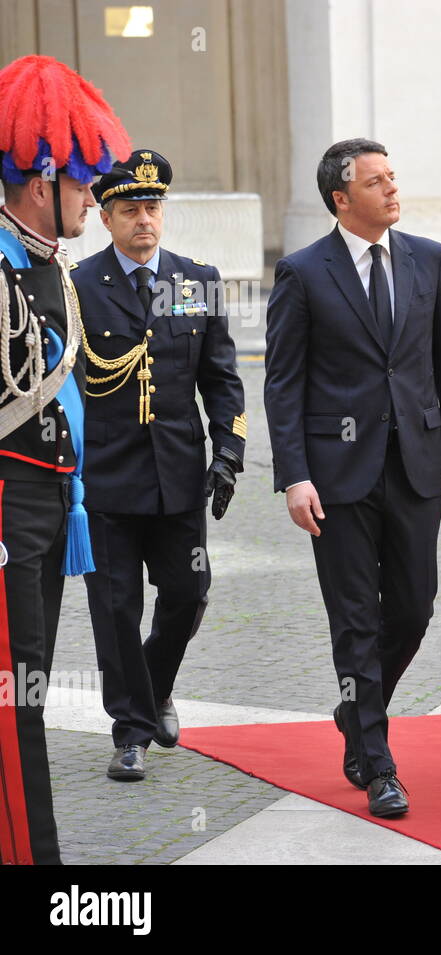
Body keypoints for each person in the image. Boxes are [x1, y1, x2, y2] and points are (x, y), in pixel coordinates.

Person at [264, 138, 441, 818]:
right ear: (340, 198)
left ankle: (355, 710)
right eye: (376, 181)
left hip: (415, 466)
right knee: (356, 621)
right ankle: (378, 763)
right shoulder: (303, 272)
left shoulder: (429, 260)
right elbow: (283, 384)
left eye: (393, 177)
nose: (391, 189)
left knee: (414, 606)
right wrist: (294, 475)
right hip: (337, 477)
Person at [73, 149, 246, 782]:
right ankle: (131, 731)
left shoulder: (195, 280)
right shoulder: (78, 286)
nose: (145, 220)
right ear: (106, 217)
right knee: (116, 608)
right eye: (130, 211)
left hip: (180, 476)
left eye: (153, 208)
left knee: (188, 592)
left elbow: (221, 379)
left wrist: (229, 451)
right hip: (106, 482)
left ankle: (154, 683)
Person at [0, 54, 129, 864]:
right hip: (7, 506)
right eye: (85, 182)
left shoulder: (55, 271)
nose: (95, 197)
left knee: (31, 687)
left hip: (53, 504)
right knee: (15, 694)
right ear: (44, 177)